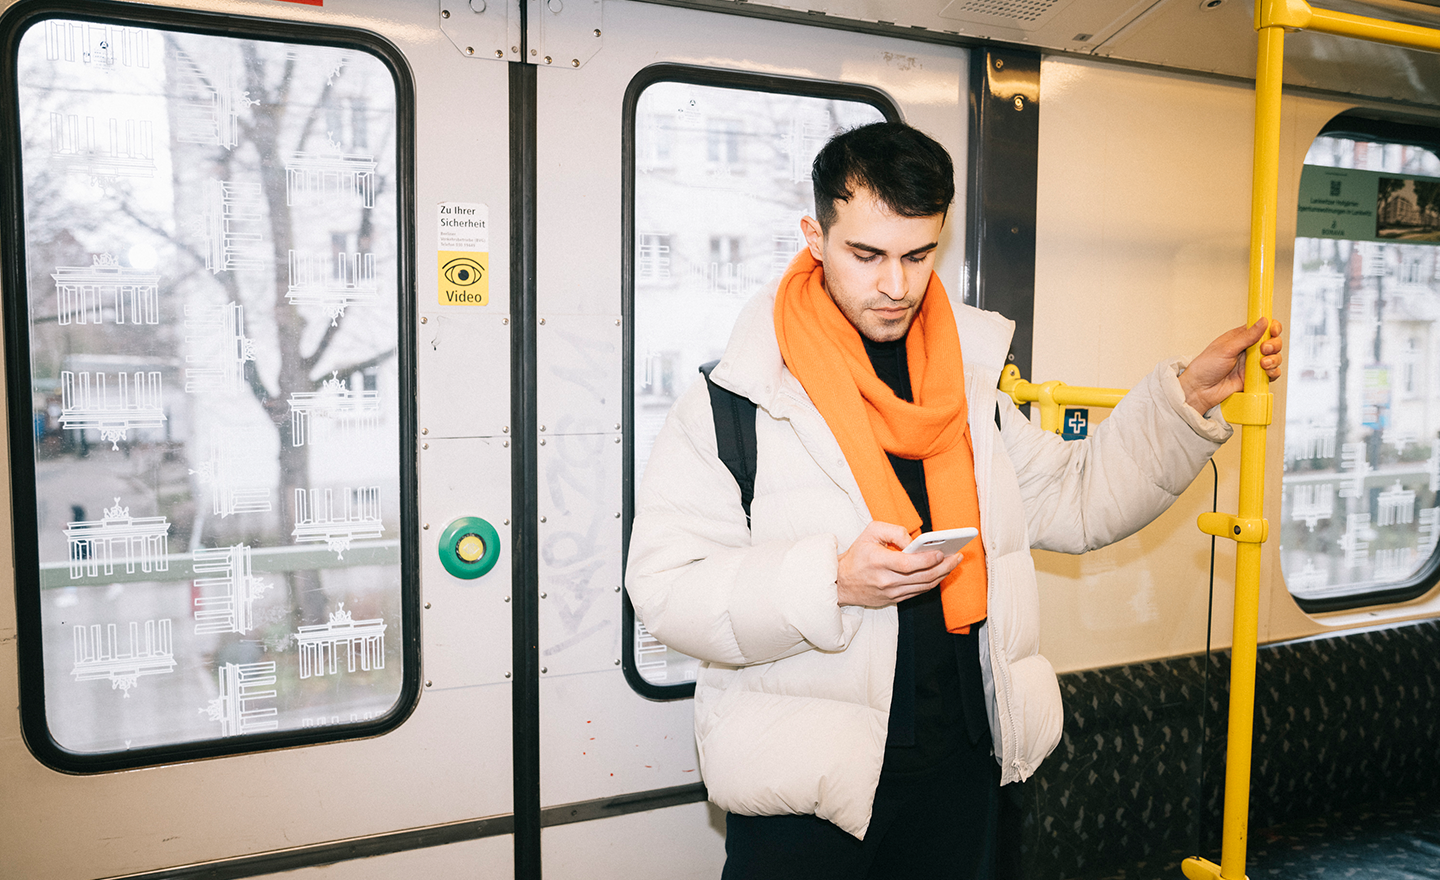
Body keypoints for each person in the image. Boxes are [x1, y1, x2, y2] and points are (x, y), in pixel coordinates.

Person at [624, 121, 1283, 880]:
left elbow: (1074, 497)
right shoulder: (735, 401)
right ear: (815, 237)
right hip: (808, 786)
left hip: (964, 765)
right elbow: (667, 590)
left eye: (918, 255)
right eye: (866, 255)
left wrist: (1183, 402)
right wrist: (832, 581)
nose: (896, 285)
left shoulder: (968, 386)